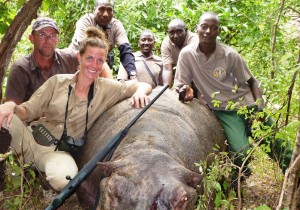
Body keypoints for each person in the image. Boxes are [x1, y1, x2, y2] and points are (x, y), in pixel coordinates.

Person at [0, 27, 151, 194]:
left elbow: (143, 84)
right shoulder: (57, 82)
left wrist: (140, 92)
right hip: (29, 141)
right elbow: (27, 111)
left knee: (66, 180)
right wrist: (11, 107)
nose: (94, 65)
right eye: (90, 58)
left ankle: (40, 174)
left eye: (100, 61)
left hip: (57, 154)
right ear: (79, 57)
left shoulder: (107, 89)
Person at [174, 12, 292, 178]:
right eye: (204, 27)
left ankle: (294, 178)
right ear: (196, 29)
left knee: (280, 147)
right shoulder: (187, 55)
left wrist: (259, 109)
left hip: (248, 105)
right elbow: (179, 85)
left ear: (219, 31)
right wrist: (185, 91)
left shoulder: (229, 55)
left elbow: (252, 82)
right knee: (241, 153)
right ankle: (239, 178)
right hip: (224, 110)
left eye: (213, 28)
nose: (208, 31)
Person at [4, 16, 113, 105]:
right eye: (42, 35)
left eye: (53, 36)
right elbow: (13, 107)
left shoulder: (69, 58)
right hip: (31, 125)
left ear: (58, 39)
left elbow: (99, 64)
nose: (48, 40)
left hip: (66, 124)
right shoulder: (20, 69)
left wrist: (110, 87)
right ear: (31, 38)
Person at [69, 0, 137, 80]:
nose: (105, 14)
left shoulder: (116, 26)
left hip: (96, 65)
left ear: (113, 12)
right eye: (101, 9)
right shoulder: (86, 21)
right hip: (74, 63)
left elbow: (125, 51)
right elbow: (87, 51)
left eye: (109, 10)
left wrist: (133, 75)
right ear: (94, 10)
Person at [161, 18, 198, 87]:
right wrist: (166, 90)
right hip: (182, 73)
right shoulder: (166, 43)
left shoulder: (195, 41)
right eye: (171, 33)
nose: (175, 36)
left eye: (179, 32)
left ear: (186, 31)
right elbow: (167, 69)